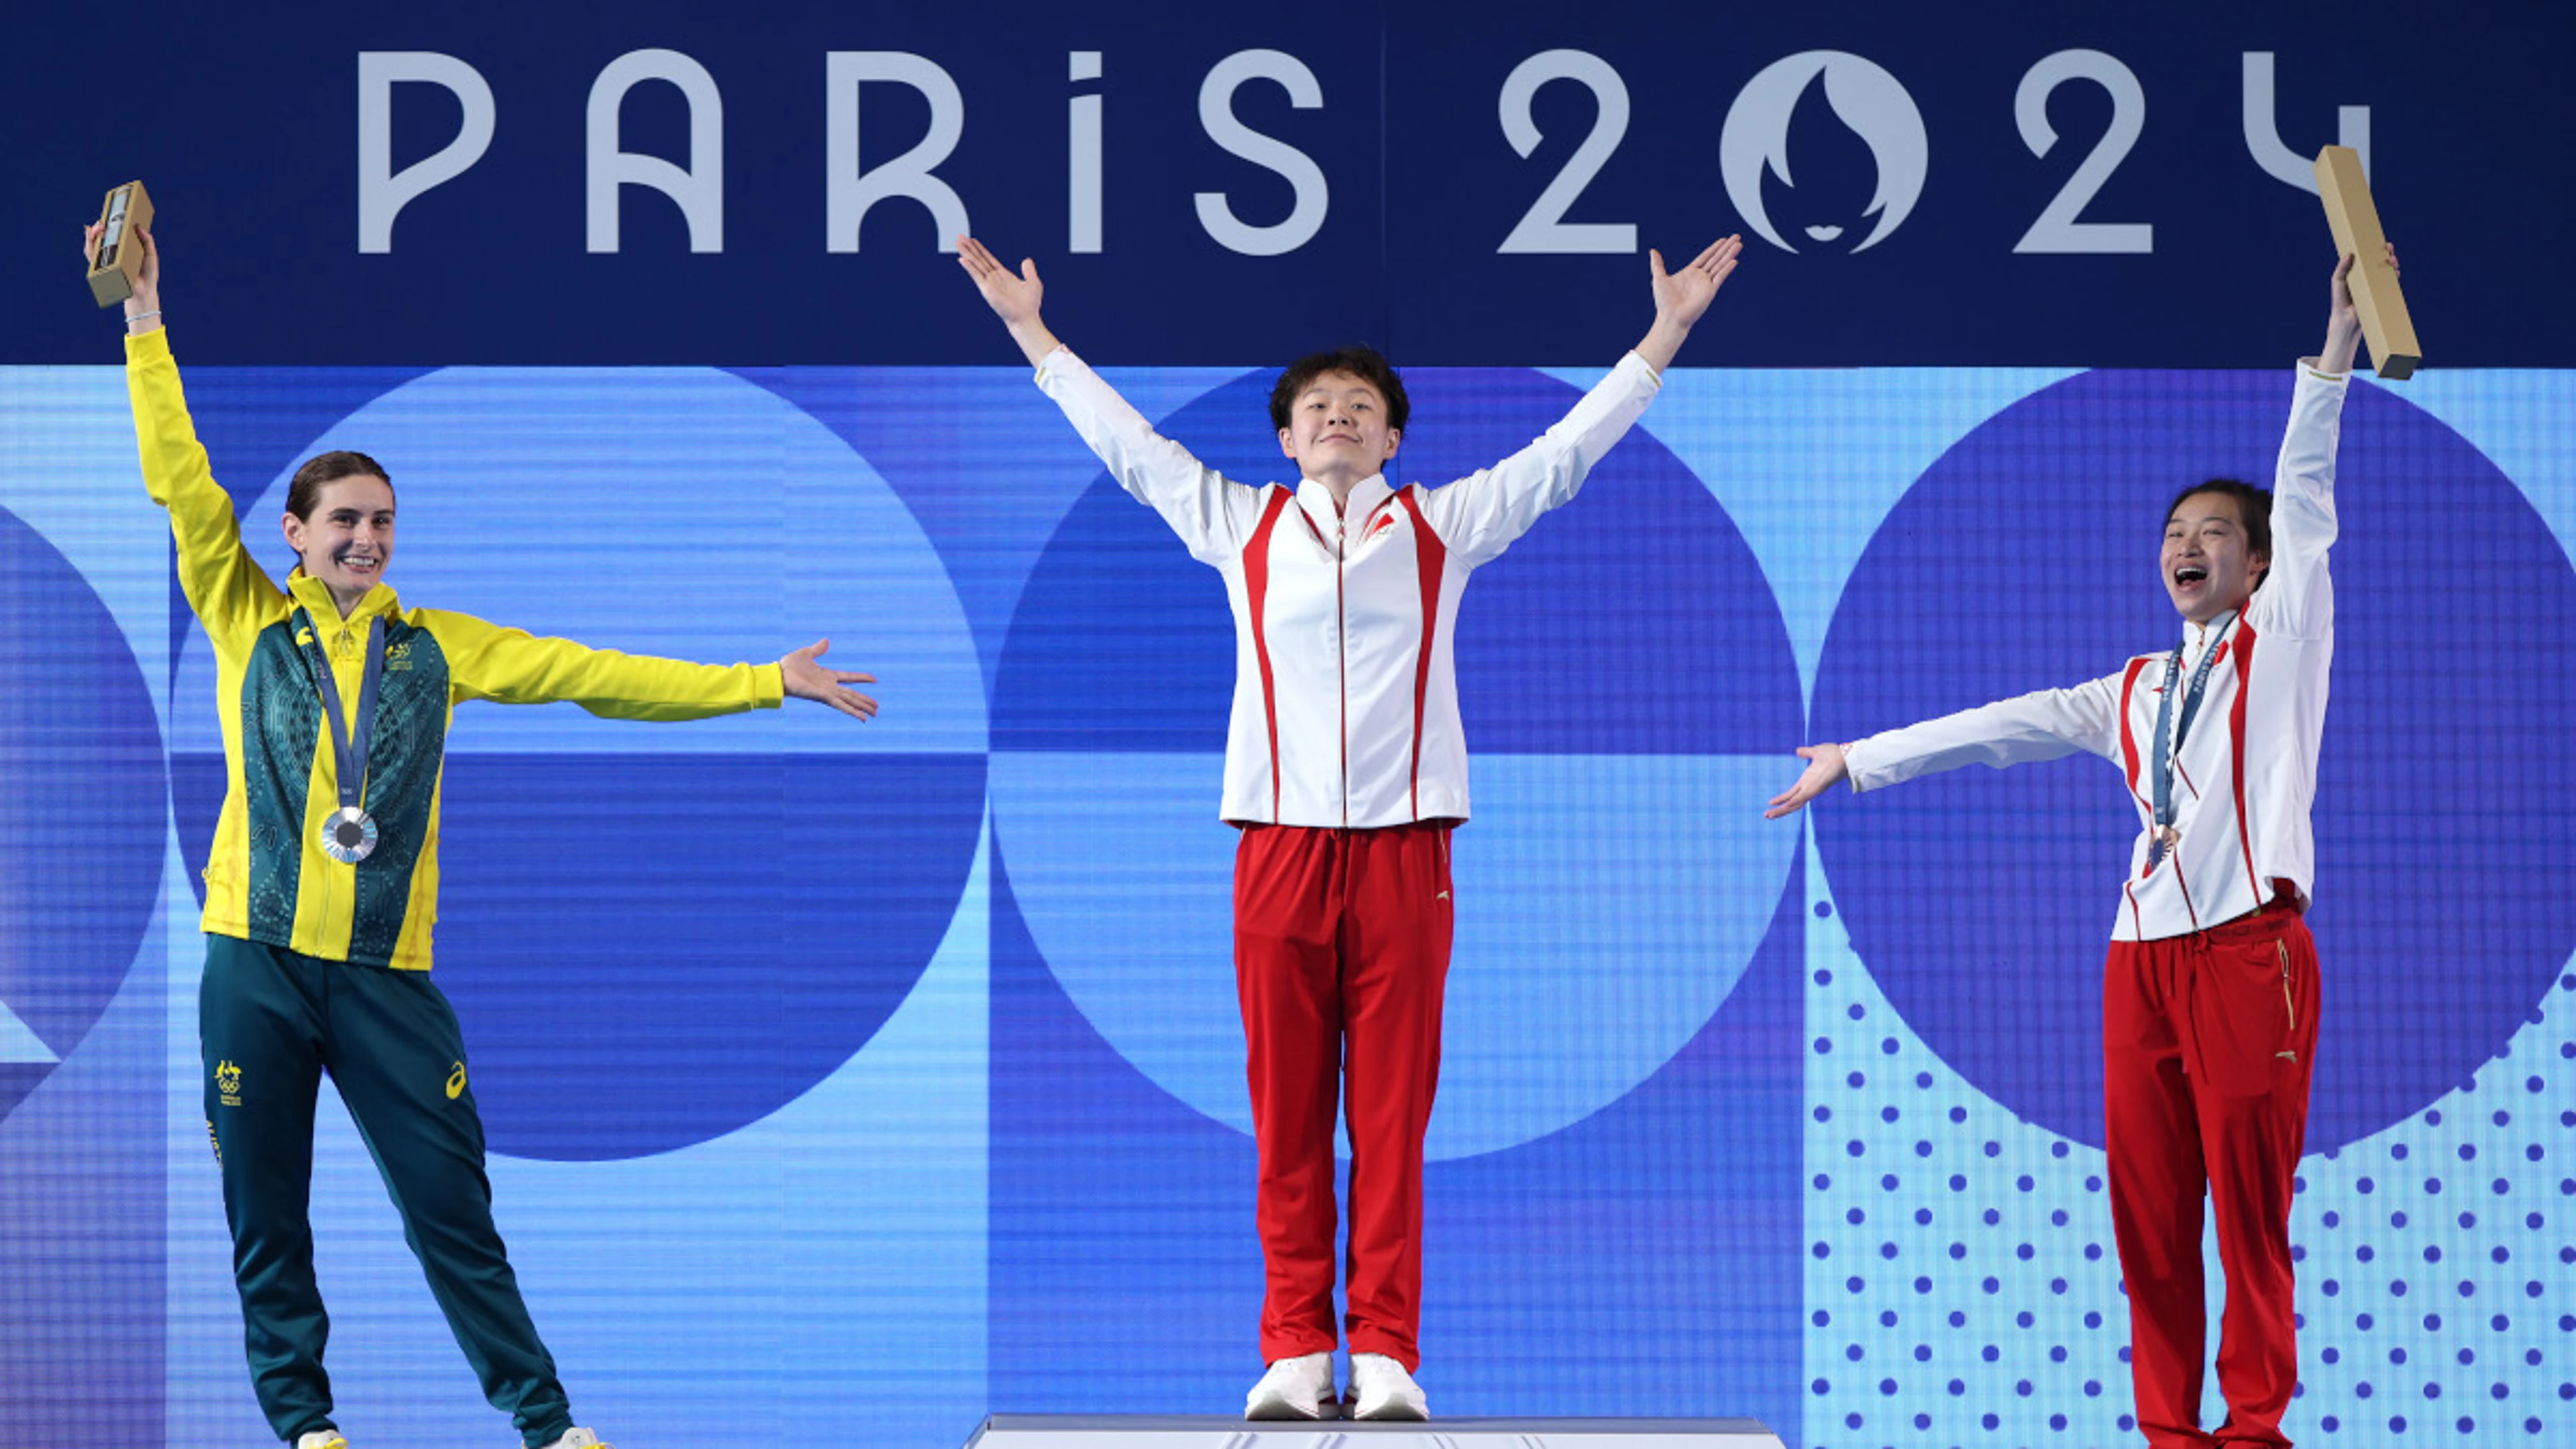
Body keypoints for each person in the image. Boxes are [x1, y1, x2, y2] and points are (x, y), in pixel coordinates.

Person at [92, 221, 879, 1449]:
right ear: (293, 535)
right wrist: (146, 321)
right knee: (266, 1212)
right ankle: (306, 1428)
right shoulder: (245, 615)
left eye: (383, 522)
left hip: (388, 982)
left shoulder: (436, 646)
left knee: (452, 1212)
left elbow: (593, 674)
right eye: (342, 520)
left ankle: (549, 1425)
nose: (365, 538)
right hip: (253, 958)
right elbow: (180, 480)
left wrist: (760, 682)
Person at [959, 231, 1743, 1421]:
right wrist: (1033, 334)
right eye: (1316, 405)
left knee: (1388, 1117)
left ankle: (1382, 1352)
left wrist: (1666, 335)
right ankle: (1292, 1349)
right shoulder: (1238, 527)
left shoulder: (1444, 529)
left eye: (1360, 405)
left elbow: (1566, 455)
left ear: (1392, 436)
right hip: (1275, 852)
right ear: (1284, 436)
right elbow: (1127, 448)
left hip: (1405, 856)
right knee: (1284, 1114)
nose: (1337, 416)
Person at [1765, 245, 2396, 1448]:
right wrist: (1859, 758)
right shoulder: (2134, 688)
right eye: (2174, 532)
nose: (2188, 545)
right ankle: (2167, 1432)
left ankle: (2252, 1431)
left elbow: (2304, 490)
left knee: (2247, 1213)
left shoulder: (2286, 636)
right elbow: (2003, 727)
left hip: (2249, 955)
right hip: (2137, 964)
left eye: (2215, 532)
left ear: (2256, 565)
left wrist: (2334, 350)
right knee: (2150, 1222)